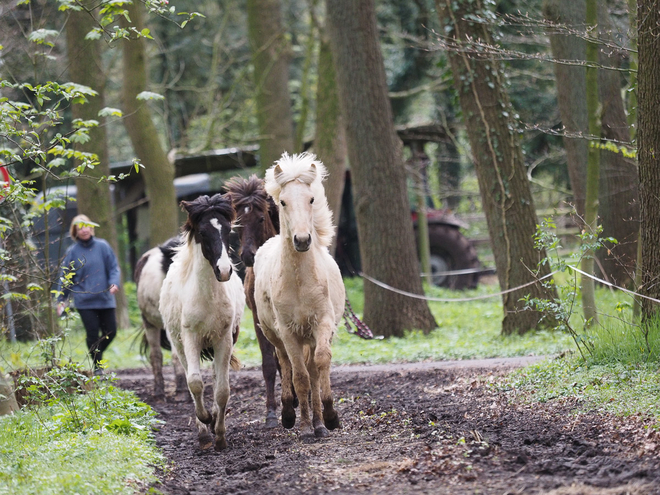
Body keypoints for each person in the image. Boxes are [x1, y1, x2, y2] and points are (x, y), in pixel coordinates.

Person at [56, 214, 121, 374]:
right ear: (75, 231)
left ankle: (96, 352)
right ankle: (97, 366)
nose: (84, 230)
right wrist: (61, 300)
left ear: (91, 228)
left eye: (86, 226)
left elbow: (114, 267)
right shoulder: (72, 252)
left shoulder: (103, 246)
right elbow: (66, 278)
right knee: (92, 334)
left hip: (105, 299)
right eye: (80, 227)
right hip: (85, 302)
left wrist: (114, 282)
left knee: (111, 332)